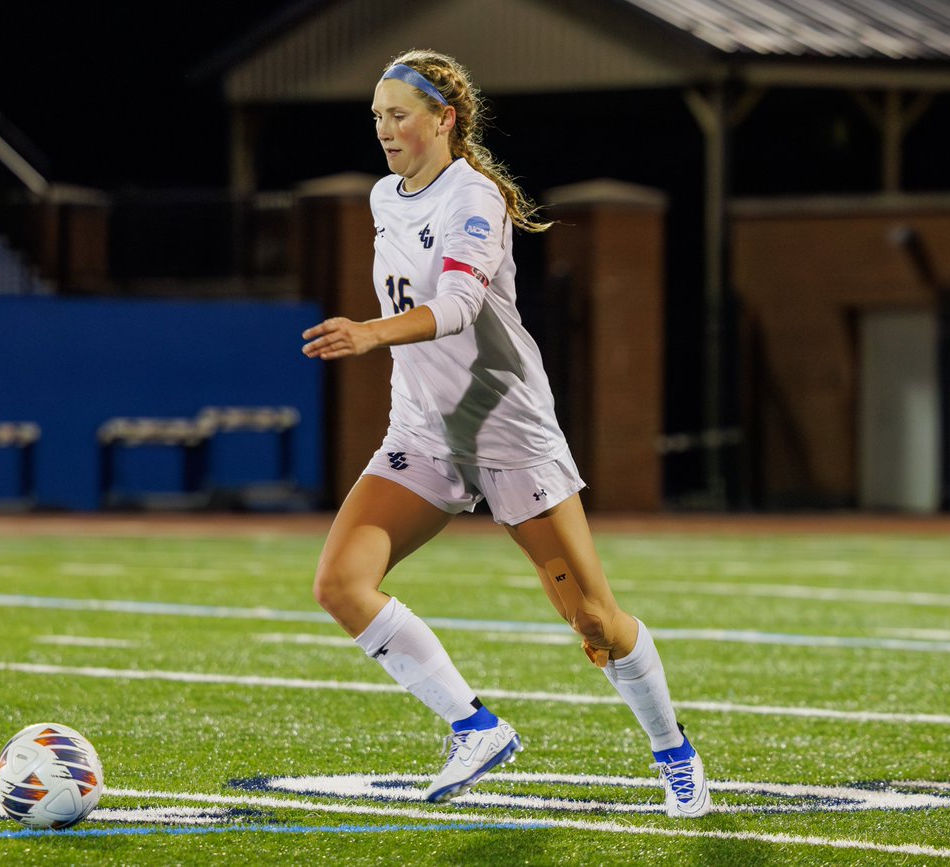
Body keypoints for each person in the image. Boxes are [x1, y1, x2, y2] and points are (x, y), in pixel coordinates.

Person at [301, 48, 710, 818]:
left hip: (508, 433)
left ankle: (674, 752)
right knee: (340, 584)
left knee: (594, 622)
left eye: (398, 115)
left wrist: (370, 335)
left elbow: (456, 306)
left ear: (443, 120)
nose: (384, 130)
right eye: (377, 117)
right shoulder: (385, 197)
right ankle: (474, 725)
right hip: (423, 433)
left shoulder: (474, 198)